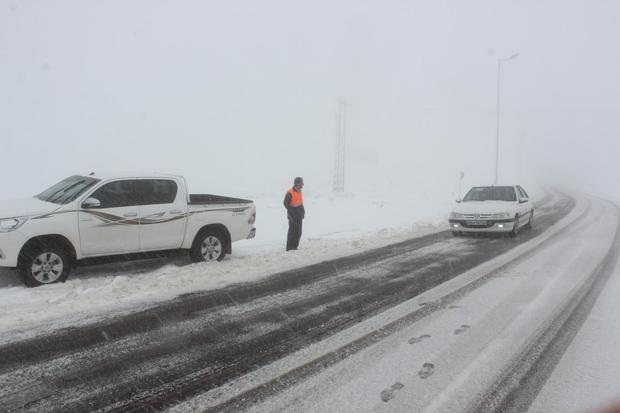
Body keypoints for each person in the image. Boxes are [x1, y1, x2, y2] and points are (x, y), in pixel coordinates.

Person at [283, 177, 305, 251]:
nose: (303, 184)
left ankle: (295, 247)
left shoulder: (299, 191)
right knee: (292, 232)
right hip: (293, 216)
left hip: (299, 216)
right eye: (302, 183)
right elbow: (285, 203)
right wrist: (293, 213)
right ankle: (289, 248)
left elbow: (300, 203)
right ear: (298, 183)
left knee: (298, 232)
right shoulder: (290, 192)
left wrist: (302, 212)